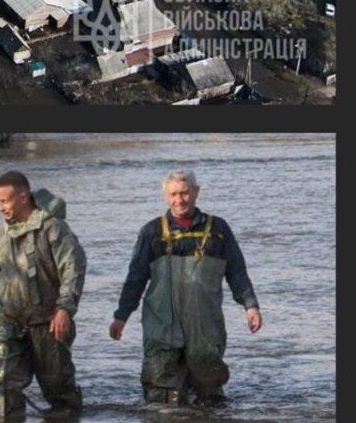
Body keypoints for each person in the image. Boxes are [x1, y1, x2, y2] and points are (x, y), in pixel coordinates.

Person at [110, 169, 260, 406]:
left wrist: (250, 306)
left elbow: (237, 272)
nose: (179, 200)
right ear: (165, 196)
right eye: (173, 194)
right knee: (161, 392)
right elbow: (135, 279)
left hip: (204, 324)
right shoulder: (152, 232)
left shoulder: (218, 229)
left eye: (184, 193)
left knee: (208, 389)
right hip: (161, 323)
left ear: (196, 192)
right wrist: (121, 316)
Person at [0, 172, 87, 422]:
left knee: (57, 387)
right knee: (2, 380)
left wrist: (64, 309)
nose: (1, 207)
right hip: (10, 318)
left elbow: (73, 268)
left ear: (23, 196)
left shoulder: (53, 229)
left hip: (47, 320)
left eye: (6, 201)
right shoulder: (0, 235)